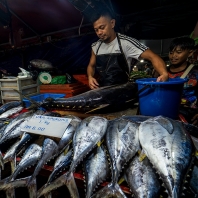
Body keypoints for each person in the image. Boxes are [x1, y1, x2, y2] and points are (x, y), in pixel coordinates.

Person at [87, 10, 168, 89]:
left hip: (121, 90)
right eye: (96, 30)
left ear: (112, 23)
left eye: (102, 27)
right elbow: (91, 65)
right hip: (102, 91)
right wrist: (90, 77)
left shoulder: (126, 43)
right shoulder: (95, 46)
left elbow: (153, 56)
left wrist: (164, 73)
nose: (99, 32)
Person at [161, 36, 198, 124]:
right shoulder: (163, 72)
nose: (173, 56)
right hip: (166, 115)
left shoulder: (195, 72)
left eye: (178, 52)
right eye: (171, 52)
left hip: (190, 117)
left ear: (190, 53)